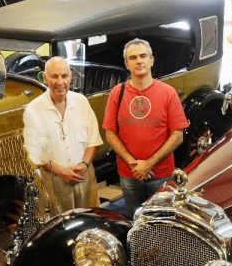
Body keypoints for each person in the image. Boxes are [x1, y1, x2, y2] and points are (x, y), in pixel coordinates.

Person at [103, 38, 189, 218]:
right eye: (133, 58)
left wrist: (148, 164)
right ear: (126, 64)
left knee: (164, 221)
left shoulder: (168, 93)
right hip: (129, 174)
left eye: (143, 56)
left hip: (162, 175)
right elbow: (110, 133)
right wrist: (133, 163)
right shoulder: (117, 93)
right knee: (135, 220)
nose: (139, 61)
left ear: (152, 60)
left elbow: (178, 135)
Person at [23, 56, 103, 214]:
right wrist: (61, 171)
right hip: (54, 180)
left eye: (64, 76)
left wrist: (84, 165)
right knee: (59, 223)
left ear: (71, 77)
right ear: (44, 78)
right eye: (54, 76)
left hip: (84, 175)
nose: (60, 82)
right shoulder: (33, 109)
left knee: (90, 219)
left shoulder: (81, 102)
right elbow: (34, 154)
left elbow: (94, 141)